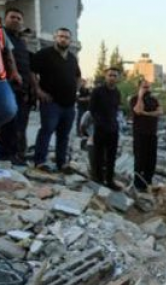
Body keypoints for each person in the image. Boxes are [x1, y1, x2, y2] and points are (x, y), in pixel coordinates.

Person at [32, 27, 81, 172]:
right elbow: (32, 72)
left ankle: (61, 163)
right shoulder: (44, 54)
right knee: (47, 130)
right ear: (55, 38)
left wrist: (76, 91)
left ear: (70, 41)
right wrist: (38, 90)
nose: (63, 39)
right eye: (61, 36)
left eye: (66, 37)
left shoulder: (72, 58)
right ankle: (40, 161)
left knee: (64, 135)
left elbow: (78, 76)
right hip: (51, 102)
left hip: (69, 104)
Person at [0, 8, 30, 165]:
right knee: (8, 122)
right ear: (5, 19)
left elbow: (28, 67)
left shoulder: (21, 42)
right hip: (6, 85)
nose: (16, 20)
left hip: (22, 89)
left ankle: (16, 155)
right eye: (12, 17)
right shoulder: (3, 35)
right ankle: (6, 156)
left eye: (19, 18)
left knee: (19, 124)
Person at [89, 67, 121, 189]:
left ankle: (109, 180)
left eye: (115, 75)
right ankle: (98, 179)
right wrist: (99, 122)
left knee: (111, 156)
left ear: (118, 78)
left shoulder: (117, 92)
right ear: (105, 76)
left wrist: (115, 125)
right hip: (100, 128)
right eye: (110, 75)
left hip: (113, 129)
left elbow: (116, 109)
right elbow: (92, 109)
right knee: (98, 155)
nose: (112, 77)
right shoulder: (97, 91)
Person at [129, 79, 161, 192]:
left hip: (152, 133)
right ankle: (138, 184)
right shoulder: (134, 99)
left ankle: (148, 182)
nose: (147, 89)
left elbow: (159, 112)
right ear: (139, 88)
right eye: (144, 87)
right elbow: (138, 110)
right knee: (140, 159)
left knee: (151, 160)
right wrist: (140, 96)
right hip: (140, 134)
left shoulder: (153, 100)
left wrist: (146, 113)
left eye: (148, 87)